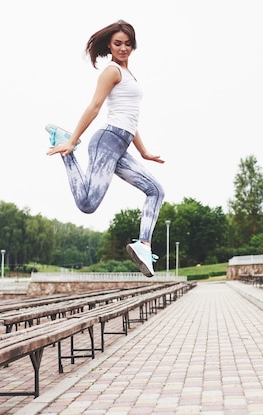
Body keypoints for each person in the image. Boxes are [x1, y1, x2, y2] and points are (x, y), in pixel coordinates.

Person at [47, 20, 165, 277]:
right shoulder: (111, 71)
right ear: (109, 46)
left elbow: (130, 120)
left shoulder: (129, 74)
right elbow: (95, 107)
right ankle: (63, 143)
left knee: (156, 191)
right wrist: (72, 139)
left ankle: (143, 245)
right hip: (107, 141)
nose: (123, 48)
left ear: (133, 44)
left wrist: (144, 152)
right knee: (88, 205)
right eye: (117, 44)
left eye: (127, 43)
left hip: (121, 144)